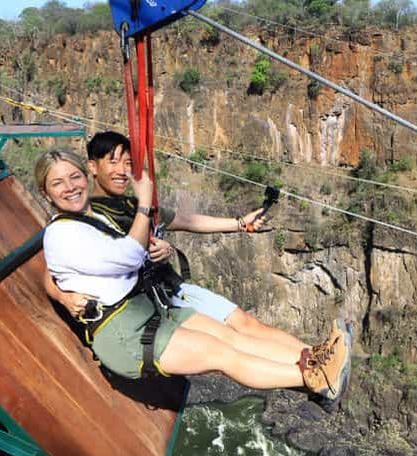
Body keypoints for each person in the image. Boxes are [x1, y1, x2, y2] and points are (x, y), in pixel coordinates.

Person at [36, 148, 351, 409]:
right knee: (224, 355)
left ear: (86, 176)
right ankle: (319, 381)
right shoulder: (63, 232)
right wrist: (144, 206)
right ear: (46, 193)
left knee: (234, 339)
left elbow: (141, 246)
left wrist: (164, 243)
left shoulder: (96, 215)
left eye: (74, 177)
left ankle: (315, 365)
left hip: (149, 310)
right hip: (124, 334)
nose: (70, 187)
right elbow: (124, 257)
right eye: (58, 183)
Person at [44, 131, 305, 355]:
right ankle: (311, 367)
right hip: (153, 302)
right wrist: (63, 296)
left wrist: (239, 223)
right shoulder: (89, 215)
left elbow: (188, 221)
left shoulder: (132, 204)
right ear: (92, 167)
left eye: (128, 163)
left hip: (170, 288)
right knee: (238, 339)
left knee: (246, 325)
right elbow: (54, 267)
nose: (123, 171)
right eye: (113, 162)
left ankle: (314, 359)